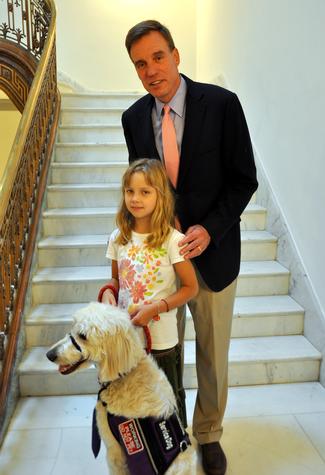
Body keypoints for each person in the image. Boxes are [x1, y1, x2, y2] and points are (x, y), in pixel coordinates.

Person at [121, 20, 258, 475]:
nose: (151, 70)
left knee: (212, 353)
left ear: (176, 55)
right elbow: (144, 186)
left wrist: (209, 229)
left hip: (215, 254)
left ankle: (209, 434)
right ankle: (170, 428)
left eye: (158, 57)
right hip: (163, 262)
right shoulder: (132, 118)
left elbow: (244, 180)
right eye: (140, 63)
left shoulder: (222, 104)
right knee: (164, 351)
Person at [99, 158, 198, 428]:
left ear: (160, 196)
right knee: (132, 399)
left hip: (162, 341)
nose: (136, 198)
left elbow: (191, 288)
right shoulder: (117, 237)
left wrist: (156, 308)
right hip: (127, 340)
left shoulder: (172, 240)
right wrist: (108, 292)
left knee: (166, 400)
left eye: (145, 192)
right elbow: (115, 281)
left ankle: (174, 450)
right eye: (130, 191)